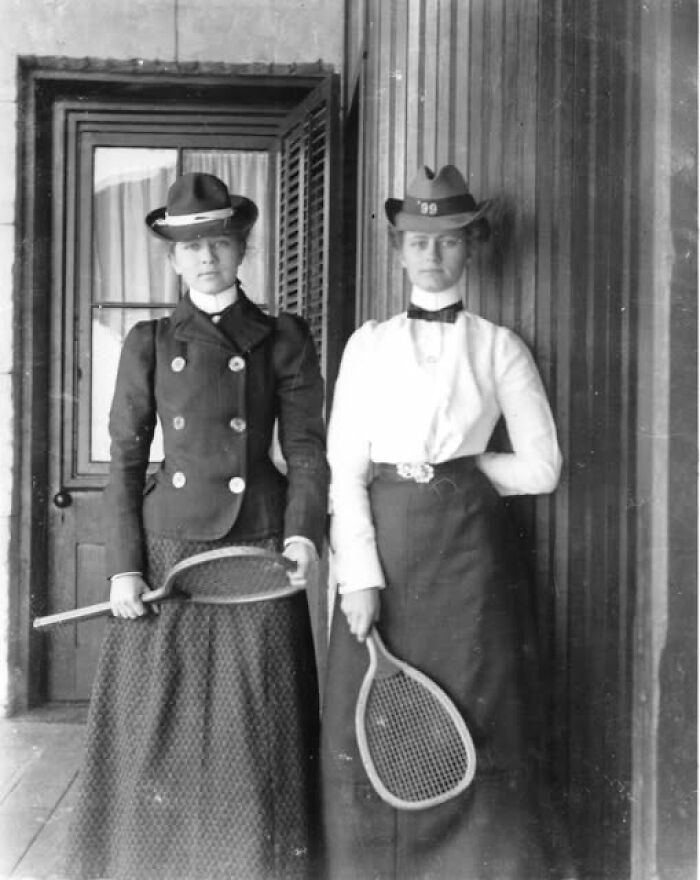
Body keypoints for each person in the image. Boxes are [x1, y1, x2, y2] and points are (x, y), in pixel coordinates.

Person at [65, 172, 328, 880]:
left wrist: (304, 533)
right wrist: (125, 566)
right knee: (159, 727)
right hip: (169, 547)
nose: (205, 257)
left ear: (240, 248)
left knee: (257, 725)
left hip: (260, 544)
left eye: (218, 241)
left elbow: (306, 449)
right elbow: (125, 460)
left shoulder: (283, 337)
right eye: (190, 247)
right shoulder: (149, 341)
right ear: (173, 260)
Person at [320, 165, 575, 879]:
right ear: (399, 250)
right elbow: (345, 471)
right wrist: (360, 581)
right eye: (419, 241)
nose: (433, 256)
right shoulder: (366, 346)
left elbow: (542, 468)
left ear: (471, 250)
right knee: (371, 726)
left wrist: (462, 474)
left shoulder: (499, 347)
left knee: (477, 711)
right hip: (386, 560)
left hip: (469, 560)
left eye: (450, 241)